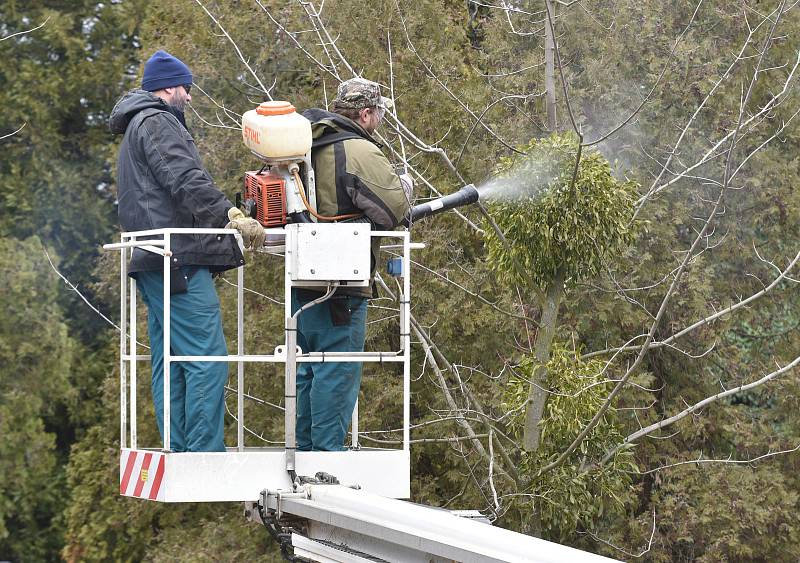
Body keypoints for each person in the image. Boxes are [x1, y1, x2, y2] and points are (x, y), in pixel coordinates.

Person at [109, 50, 265, 452]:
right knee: (207, 358)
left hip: (153, 259)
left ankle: (180, 446)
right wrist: (228, 214)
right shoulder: (156, 121)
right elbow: (185, 177)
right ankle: (201, 453)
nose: (190, 98)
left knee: (170, 360)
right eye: (186, 88)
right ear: (168, 87)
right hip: (173, 258)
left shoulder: (135, 126)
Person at [297, 78, 412, 451]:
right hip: (340, 288)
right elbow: (394, 208)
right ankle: (325, 459)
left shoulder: (306, 145)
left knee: (309, 370)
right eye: (378, 112)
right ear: (365, 114)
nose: (379, 118)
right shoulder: (358, 150)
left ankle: (306, 450)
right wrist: (405, 186)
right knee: (337, 369)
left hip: (301, 282)